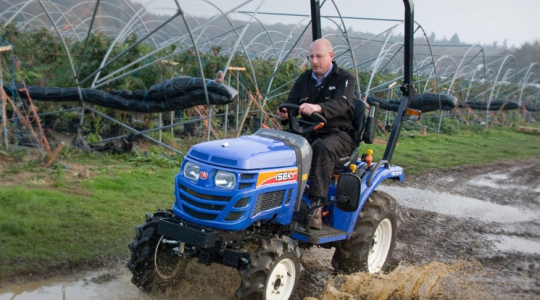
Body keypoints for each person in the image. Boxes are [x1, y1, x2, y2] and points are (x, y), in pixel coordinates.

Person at [278, 38, 356, 230]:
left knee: (323, 148)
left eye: (319, 56)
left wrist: (317, 107)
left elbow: (342, 103)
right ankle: (278, 195)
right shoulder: (305, 79)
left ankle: (316, 206)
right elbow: (292, 102)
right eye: (311, 56)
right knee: (280, 144)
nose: (314, 61)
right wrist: (286, 114)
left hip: (338, 133)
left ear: (331, 56)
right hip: (307, 129)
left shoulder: (344, 79)